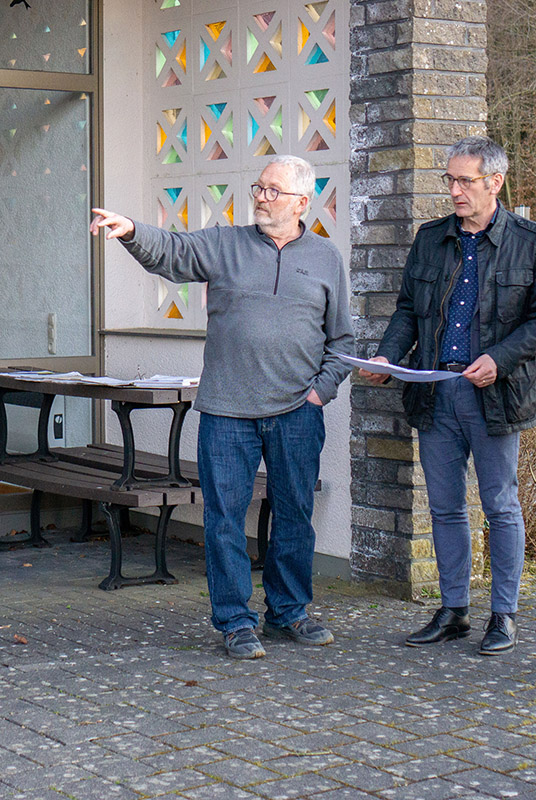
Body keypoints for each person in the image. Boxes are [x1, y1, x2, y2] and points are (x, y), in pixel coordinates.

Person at [90, 155, 353, 660]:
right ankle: (234, 621)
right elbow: (173, 251)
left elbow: (341, 338)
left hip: (297, 411)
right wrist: (129, 232)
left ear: (302, 201)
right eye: (258, 187)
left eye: (273, 190)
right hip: (226, 412)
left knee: (294, 515)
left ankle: (289, 611)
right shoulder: (225, 244)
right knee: (225, 519)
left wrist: (322, 390)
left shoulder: (325, 258)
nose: (260, 196)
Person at [359, 136, 536, 655]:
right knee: (445, 508)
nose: (453, 190)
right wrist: (386, 357)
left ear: (495, 182)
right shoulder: (431, 239)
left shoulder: (532, 241)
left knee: (501, 506)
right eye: (449, 180)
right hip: (436, 393)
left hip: (496, 394)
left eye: (464, 181)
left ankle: (504, 615)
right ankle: (453, 611)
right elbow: (407, 311)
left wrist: (500, 358)